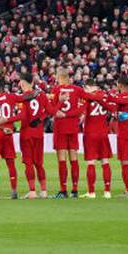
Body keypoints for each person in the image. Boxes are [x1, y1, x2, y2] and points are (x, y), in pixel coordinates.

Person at [78, 76, 116, 199]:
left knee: (91, 162)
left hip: (90, 133)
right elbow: (113, 109)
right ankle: (107, 192)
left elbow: (81, 116)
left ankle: (91, 192)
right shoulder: (104, 95)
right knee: (105, 161)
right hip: (103, 133)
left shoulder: (87, 98)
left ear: (87, 87)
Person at [49, 68, 83, 198]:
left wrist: (60, 109)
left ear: (59, 77)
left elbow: (52, 109)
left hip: (60, 127)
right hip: (73, 127)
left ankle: (63, 190)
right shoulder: (77, 89)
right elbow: (84, 104)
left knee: (62, 159)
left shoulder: (56, 90)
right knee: (73, 158)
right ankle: (75, 190)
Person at [15, 76, 49, 198]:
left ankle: (32, 191)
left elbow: (22, 115)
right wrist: (40, 119)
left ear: (23, 83)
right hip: (39, 133)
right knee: (39, 163)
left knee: (29, 163)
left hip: (26, 134)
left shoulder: (23, 97)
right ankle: (44, 191)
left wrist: (8, 120)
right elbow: (49, 111)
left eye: (21, 83)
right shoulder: (42, 95)